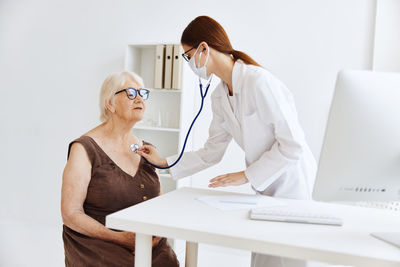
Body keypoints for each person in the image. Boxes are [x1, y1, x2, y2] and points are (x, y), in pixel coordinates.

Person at [137, 16, 317, 267]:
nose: (188, 63)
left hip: (291, 187)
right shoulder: (220, 96)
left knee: (285, 259)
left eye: (187, 56)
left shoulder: (259, 82)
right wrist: (164, 162)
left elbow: (293, 145)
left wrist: (247, 175)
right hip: (265, 190)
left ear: (203, 48)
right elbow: (212, 152)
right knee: (264, 258)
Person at [61, 71, 179, 267]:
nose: (140, 98)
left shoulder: (148, 151)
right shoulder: (84, 148)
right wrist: (120, 239)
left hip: (146, 243)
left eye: (143, 93)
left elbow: (159, 205)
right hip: (99, 243)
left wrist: (156, 236)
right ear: (110, 104)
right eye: (131, 93)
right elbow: (71, 213)